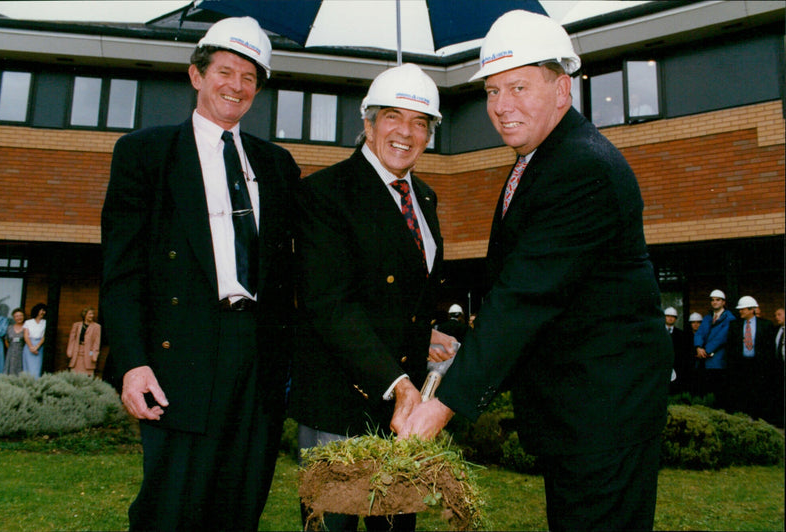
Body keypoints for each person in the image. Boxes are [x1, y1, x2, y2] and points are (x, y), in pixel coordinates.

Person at [399, 10, 672, 531]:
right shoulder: (541, 158)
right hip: (581, 412)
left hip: (602, 415)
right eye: (492, 91)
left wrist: (439, 410)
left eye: (519, 87)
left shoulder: (579, 168)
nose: (501, 107)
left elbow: (524, 298)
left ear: (562, 89)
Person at [100, 17, 300, 531]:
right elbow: (121, 272)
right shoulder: (145, 154)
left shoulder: (278, 166)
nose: (236, 86)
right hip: (180, 357)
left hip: (257, 360)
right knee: (171, 508)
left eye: (249, 78)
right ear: (196, 75)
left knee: (240, 505)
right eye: (225, 72)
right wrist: (131, 362)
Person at [291, 63, 456, 531]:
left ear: (430, 134)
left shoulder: (424, 197)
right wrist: (399, 383)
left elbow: (406, 294)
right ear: (367, 124)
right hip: (340, 407)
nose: (406, 132)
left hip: (403, 419)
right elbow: (329, 304)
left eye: (419, 122)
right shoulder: (324, 194)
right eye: (393, 117)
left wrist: (428, 334)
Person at [725, 296, 775, 420]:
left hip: (759, 365)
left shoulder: (766, 325)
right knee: (742, 392)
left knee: (758, 392)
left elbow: (770, 348)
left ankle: (758, 418)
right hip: (741, 365)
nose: (740, 311)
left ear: (752, 309)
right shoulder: (734, 325)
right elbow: (730, 347)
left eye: (743, 309)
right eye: (740, 309)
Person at [693, 289, 735, 406]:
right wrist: (698, 347)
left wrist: (706, 350)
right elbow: (699, 333)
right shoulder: (707, 317)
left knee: (718, 392)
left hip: (718, 360)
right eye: (712, 300)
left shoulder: (729, 318)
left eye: (717, 300)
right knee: (705, 391)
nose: (714, 302)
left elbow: (722, 337)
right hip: (703, 359)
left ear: (723, 302)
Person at [66, 307, 101, 376]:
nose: (92, 316)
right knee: (74, 375)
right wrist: (70, 351)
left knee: (87, 376)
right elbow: (72, 340)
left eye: (93, 314)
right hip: (77, 353)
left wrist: (94, 355)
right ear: (85, 314)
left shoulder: (97, 327)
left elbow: (96, 343)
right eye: (90, 314)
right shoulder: (76, 325)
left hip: (89, 353)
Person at [665, 307, 693, 395]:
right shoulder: (659, 333)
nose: (670, 318)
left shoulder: (681, 335)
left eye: (673, 316)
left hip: (676, 365)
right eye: (668, 316)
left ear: (676, 319)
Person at [22, 303, 46, 379]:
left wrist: (37, 347)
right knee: (28, 368)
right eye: (41, 310)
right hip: (29, 346)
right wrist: (31, 347)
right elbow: (26, 336)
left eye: (44, 311)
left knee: (37, 368)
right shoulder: (28, 322)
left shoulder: (45, 322)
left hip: (39, 346)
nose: (43, 312)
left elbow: (45, 336)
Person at [771, 307, 785, 427]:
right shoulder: (777, 330)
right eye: (775, 315)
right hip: (778, 366)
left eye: (779, 314)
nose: (777, 317)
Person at [4, 308, 26, 376]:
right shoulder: (10, 328)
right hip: (11, 353)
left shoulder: (26, 327)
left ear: (23, 316)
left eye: (20, 315)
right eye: (16, 316)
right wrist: (11, 349)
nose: (19, 318)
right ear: (13, 317)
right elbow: (6, 340)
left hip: (22, 353)